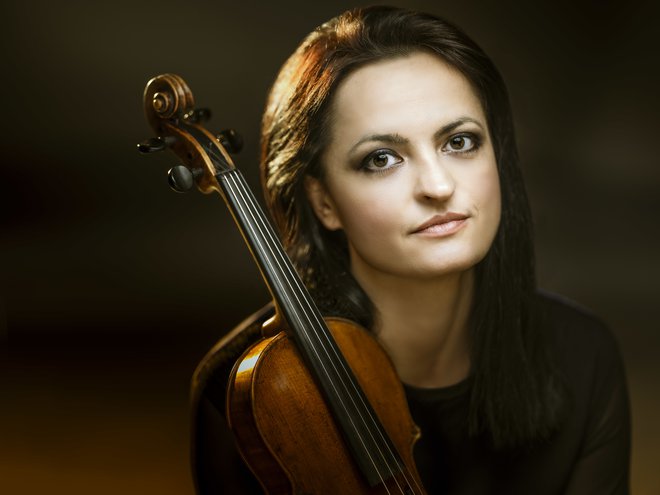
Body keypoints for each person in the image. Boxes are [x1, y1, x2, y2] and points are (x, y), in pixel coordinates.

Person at [190, 6, 630, 494]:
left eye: (460, 141)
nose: (438, 186)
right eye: (382, 159)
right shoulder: (252, 395)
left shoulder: (583, 357)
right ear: (324, 201)